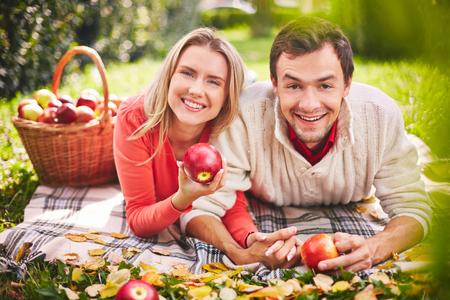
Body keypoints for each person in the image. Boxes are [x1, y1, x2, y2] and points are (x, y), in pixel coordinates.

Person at [179, 16, 433, 272]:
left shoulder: (381, 115)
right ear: (275, 84)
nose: (309, 104)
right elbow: (200, 207)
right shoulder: (243, 116)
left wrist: (375, 248)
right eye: (294, 85)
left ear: (347, 84)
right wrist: (238, 251)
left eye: (325, 85)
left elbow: (413, 207)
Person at [113, 28, 247, 237]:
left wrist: (251, 238)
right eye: (187, 73)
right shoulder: (135, 118)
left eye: (213, 81)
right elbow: (138, 220)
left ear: (226, 97)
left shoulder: (228, 127)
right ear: (169, 76)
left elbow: (232, 203)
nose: (195, 90)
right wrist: (183, 198)